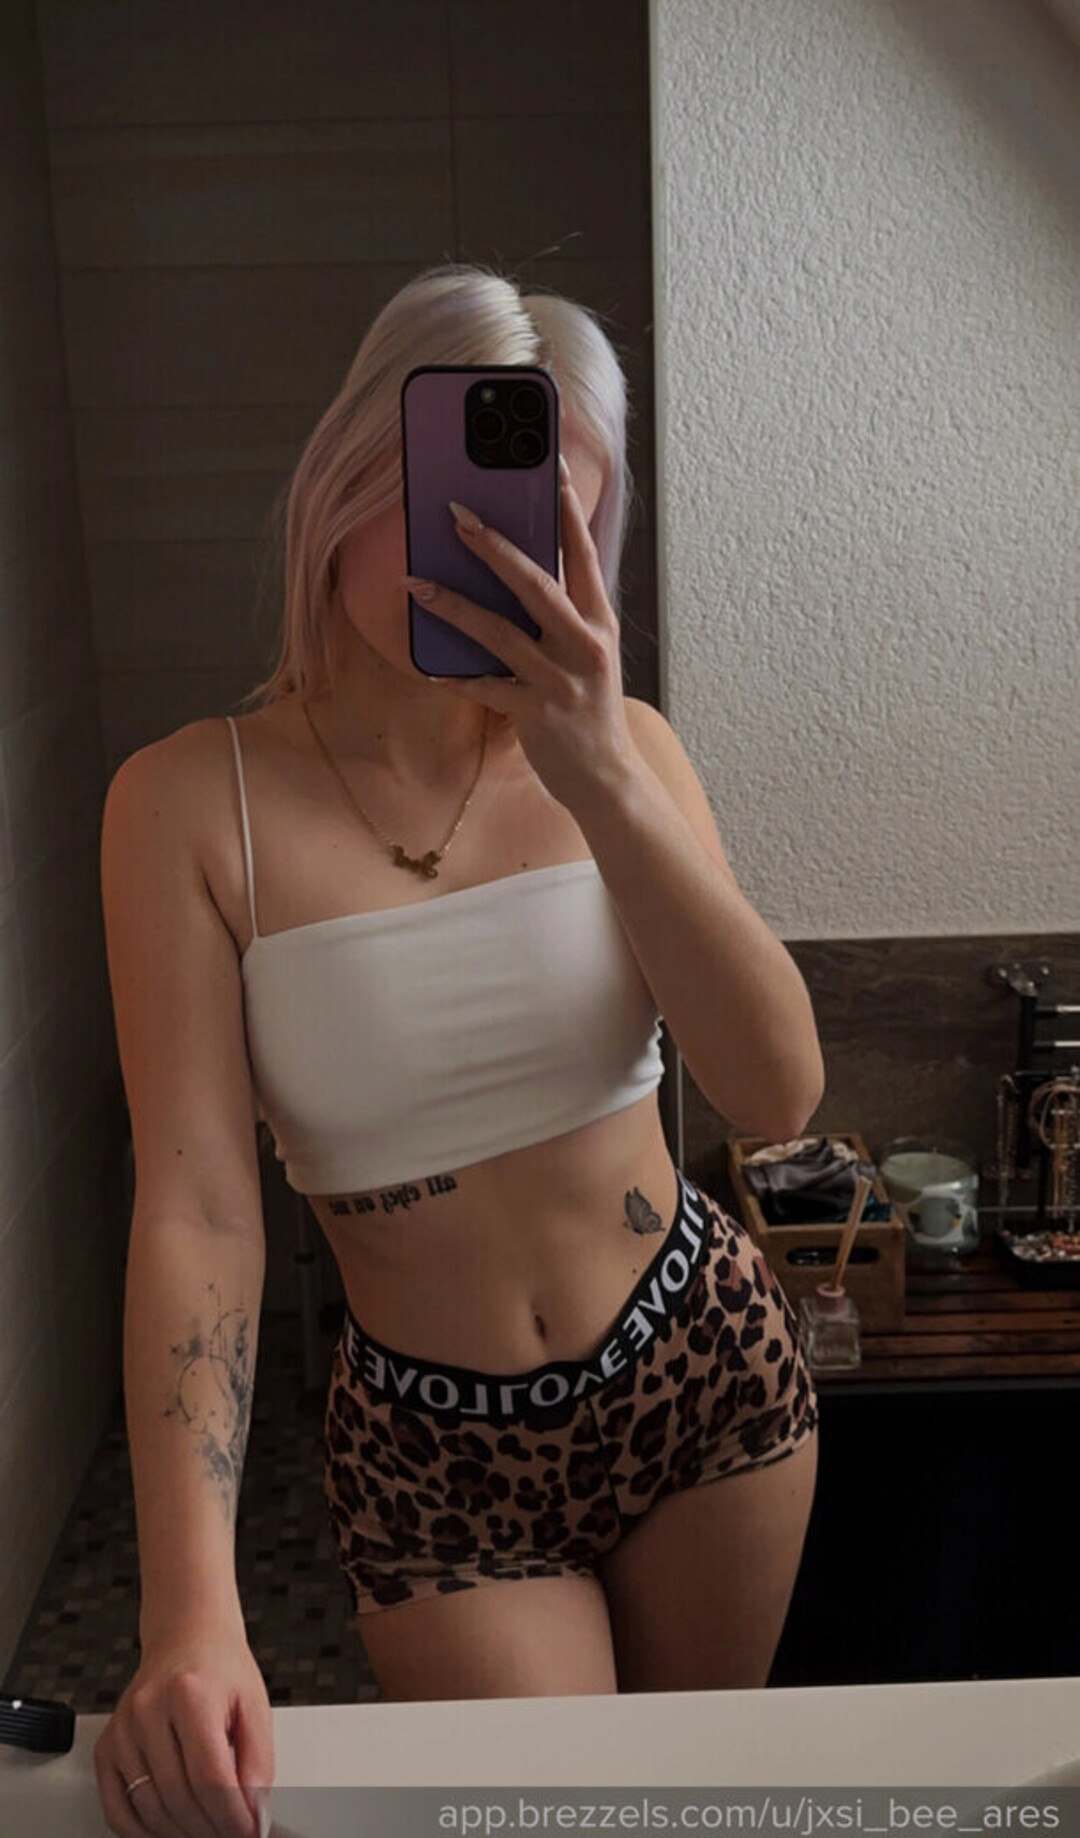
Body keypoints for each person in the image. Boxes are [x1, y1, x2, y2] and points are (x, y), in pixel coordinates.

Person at [94, 263, 823, 1837]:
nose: (495, 550)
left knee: (697, 1814)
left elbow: (776, 1092)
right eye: (460, 501)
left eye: (551, 521)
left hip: (703, 1373)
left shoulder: (630, 757)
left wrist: (601, 767)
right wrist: (192, 1610)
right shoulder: (186, 803)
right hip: (436, 1457)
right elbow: (201, 1211)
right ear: (356, 476)